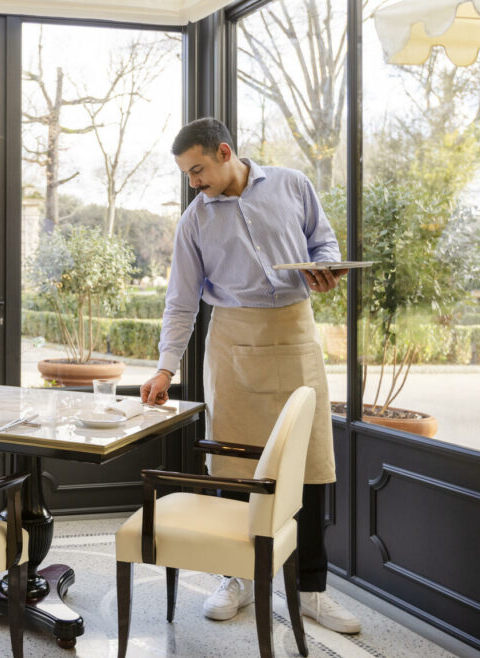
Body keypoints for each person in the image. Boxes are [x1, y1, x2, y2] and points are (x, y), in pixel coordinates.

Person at [140, 117, 361, 634]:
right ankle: (234, 578)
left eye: (197, 170)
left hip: (295, 333)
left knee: (309, 466)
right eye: (187, 174)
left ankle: (311, 591)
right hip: (232, 343)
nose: (193, 182)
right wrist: (166, 367)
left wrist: (324, 269)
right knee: (234, 467)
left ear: (224, 152)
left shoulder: (293, 185)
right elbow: (181, 302)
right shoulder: (194, 221)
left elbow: (324, 243)